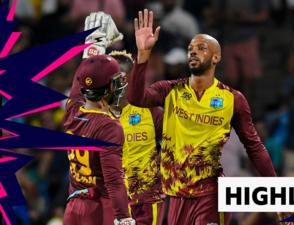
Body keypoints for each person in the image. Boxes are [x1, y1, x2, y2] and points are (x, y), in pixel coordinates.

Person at [128, 9, 277, 225]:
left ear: (216, 57)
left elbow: (254, 147)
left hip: (211, 194)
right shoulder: (170, 90)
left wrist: (273, 186)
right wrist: (142, 56)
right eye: (190, 49)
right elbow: (136, 98)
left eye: (201, 48)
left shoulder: (232, 99)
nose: (193, 52)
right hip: (174, 194)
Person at [63, 54, 134, 225]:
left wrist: (92, 45)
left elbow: (78, 82)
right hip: (100, 209)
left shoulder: (71, 110)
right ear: (109, 88)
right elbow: (113, 179)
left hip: (73, 207)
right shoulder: (108, 127)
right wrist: (124, 217)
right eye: (116, 80)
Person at [109, 50, 165, 225]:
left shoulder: (150, 111)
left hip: (147, 200)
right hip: (111, 203)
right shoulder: (96, 115)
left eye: (123, 77)